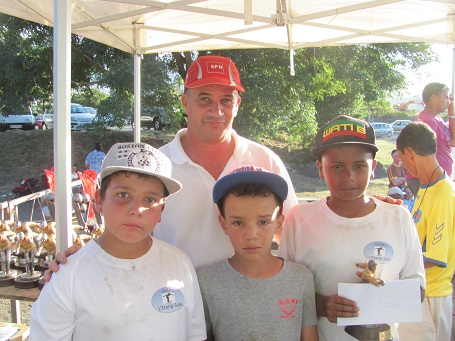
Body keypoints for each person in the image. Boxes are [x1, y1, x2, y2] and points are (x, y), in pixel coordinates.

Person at [45, 55, 297, 275]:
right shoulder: (155, 167)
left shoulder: (265, 160)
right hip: (172, 303)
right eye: (204, 99)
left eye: (226, 100)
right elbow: (126, 231)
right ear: (185, 102)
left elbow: (290, 236)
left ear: (237, 105)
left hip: (245, 304)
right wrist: (80, 259)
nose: (216, 110)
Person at [30, 142, 206, 340]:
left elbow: (195, 335)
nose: (136, 209)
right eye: (123, 195)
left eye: (150, 200)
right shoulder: (68, 276)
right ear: (98, 200)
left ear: (161, 211)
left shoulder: (180, 264)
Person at [278, 115, 426, 341]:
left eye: (359, 166)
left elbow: (418, 291)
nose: (348, 177)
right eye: (336, 166)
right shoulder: (299, 219)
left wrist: (378, 293)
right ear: (320, 168)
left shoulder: (398, 218)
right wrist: (322, 305)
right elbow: (283, 287)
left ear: (373, 167)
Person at [197, 165, 318, 341]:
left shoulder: (301, 278)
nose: (251, 235)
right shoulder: (206, 282)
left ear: (278, 223)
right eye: (238, 223)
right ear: (223, 224)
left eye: (263, 222)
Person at [396, 122, 455, 341]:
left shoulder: (442, 194)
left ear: (410, 153)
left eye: (401, 158)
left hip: (431, 295)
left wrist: (391, 265)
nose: (404, 165)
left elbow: (433, 257)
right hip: (417, 293)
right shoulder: (426, 186)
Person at [407, 83, 454, 196]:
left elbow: (453, 141)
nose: (449, 101)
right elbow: (422, 153)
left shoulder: (437, 119)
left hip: (437, 180)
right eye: (446, 97)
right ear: (434, 98)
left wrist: (451, 113)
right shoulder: (426, 121)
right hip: (428, 180)